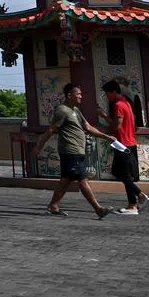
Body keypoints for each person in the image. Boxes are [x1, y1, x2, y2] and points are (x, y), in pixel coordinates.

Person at [34, 83, 117, 219]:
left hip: (78, 151)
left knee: (66, 180)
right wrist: (39, 146)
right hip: (70, 150)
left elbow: (88, 127)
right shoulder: (62, 111)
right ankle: (98, 209)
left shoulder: (76, 111)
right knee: (82, 180)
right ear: (69, 95)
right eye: (78, 94)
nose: (80, 96)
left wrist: (106, 137)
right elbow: (51, 130)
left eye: (81, 94)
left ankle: (53, 206)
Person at [103, 80, 149, 215]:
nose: (107, 97)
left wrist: (104, 116)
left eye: (107, 94)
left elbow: (116, 126)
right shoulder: (127, 103)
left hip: (122, 144)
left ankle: (132, 205)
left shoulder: (118, 105)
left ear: (113, 92)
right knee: (119, 173)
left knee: (125, 175)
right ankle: (140, 195)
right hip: (130, 142)